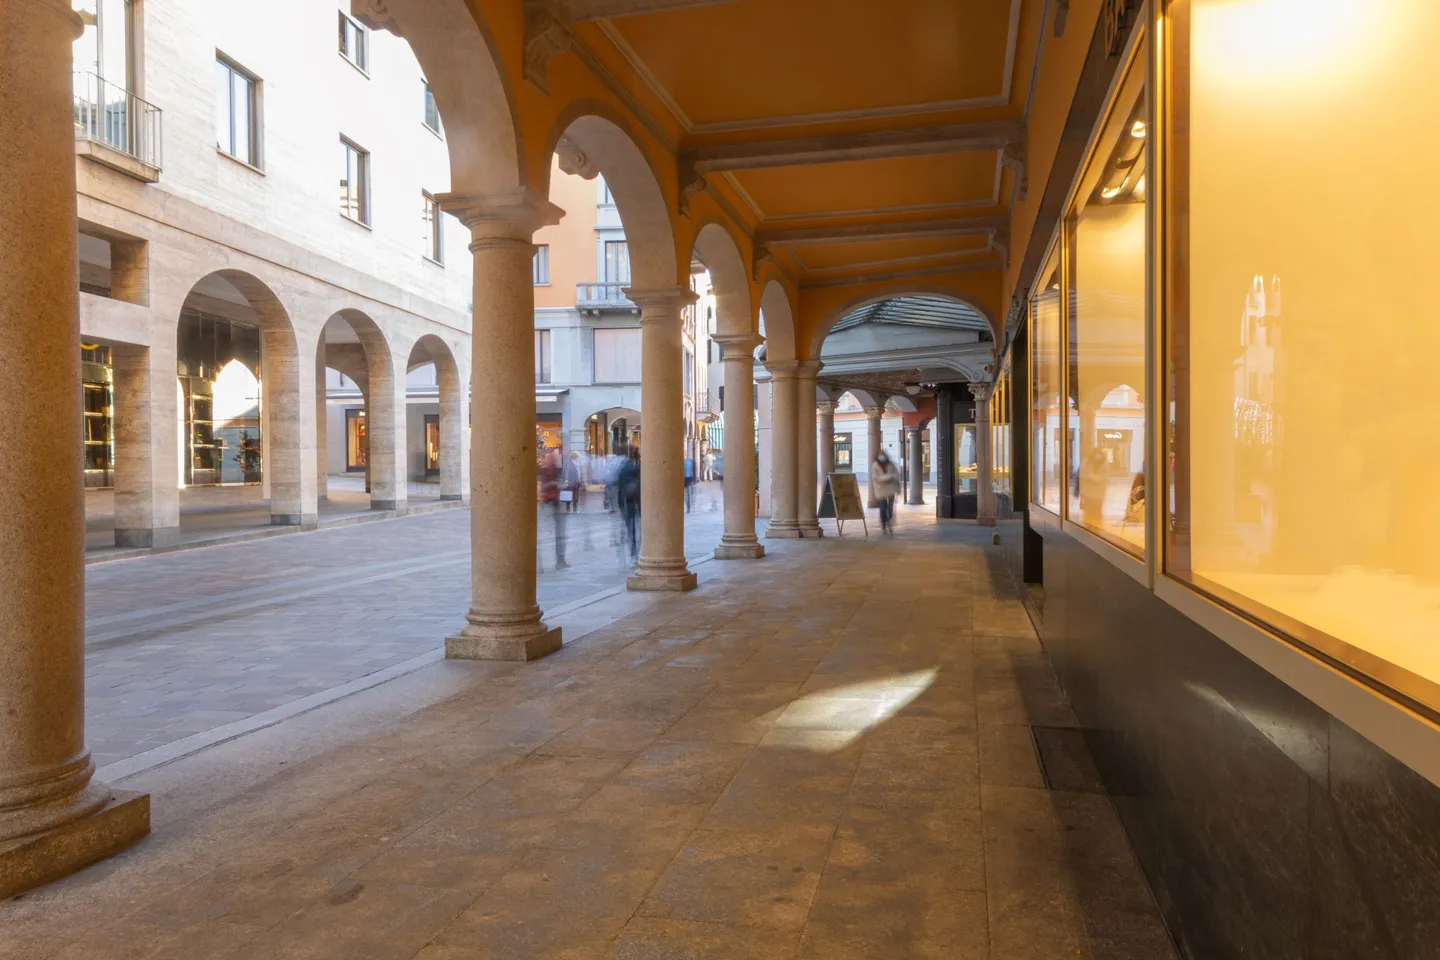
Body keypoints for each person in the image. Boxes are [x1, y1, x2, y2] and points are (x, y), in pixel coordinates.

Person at [539, 449, 567, 568]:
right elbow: (543, 487)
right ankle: (556, 561)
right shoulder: (546, 472)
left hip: (557, 504)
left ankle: (560, 560)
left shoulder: (556, 471)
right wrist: (555, 484)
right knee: (557, 534)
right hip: (551, 504)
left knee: (560, 534)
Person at [616, 450, 642, 561]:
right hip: (635, 501)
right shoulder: (636, 469)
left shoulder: (622, 469)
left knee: (629, 527)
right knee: (637, 528)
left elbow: (619, 487)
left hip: (626, 501)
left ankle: (632, 548)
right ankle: (635, 550)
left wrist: (620, 504)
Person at [869, 451, 902, 534]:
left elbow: (896, 475)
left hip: (891, 489)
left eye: (883, 455)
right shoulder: (875, 466)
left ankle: (890, 523)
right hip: (881, 490)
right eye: (880, 456)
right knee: (883, 508)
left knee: (890, 508)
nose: (882, 457)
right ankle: (883, 523)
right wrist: (889, 477)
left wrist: (898, 488)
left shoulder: (891, 464)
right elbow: (876, 478)